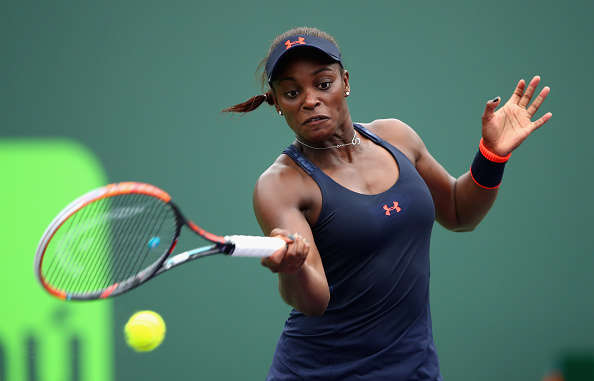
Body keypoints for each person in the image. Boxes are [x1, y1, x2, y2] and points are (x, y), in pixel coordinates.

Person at [224, 27, 551, 380]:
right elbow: (313, 300)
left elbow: (459, 213)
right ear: (276, 103)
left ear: (345, 81)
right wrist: (293, 269)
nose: (309, 100)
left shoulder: (397, 136)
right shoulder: (279, 184)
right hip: (321, 372)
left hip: (414, 368)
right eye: (291, 92)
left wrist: (491, 156)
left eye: (323, 83)